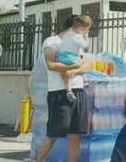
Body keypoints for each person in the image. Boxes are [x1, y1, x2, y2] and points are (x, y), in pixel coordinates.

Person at [36, 14, 90, 162]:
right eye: (83, 28)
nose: (85, 32)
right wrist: (76, 66)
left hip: (78, 91)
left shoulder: (77, 43)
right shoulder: (52, 41)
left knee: (76, 134)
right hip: (59, 93)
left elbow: (86, 64)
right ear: (74, 27)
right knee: (53, 133)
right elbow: (51, 65)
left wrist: (74, 70)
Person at [55, 15, 93, 103]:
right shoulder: (78, 37)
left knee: (67, 73)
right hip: (71, 57)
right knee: (81, 61)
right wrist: (86, 38)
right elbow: (85, 46)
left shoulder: (68, 34)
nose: (86, 32)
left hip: (62, 57)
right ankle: (84, 80)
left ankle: (68, 90)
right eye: (87, 30)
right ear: (81, 29)